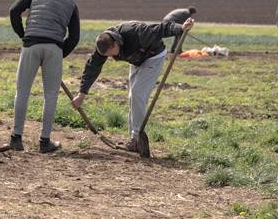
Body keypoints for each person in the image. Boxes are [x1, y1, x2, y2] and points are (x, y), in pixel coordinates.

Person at [72, 15, 195, 152]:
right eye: (108, 56)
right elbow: (92, 68)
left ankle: (137, 138)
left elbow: (162, 28)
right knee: (132, 96)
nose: (111, 57)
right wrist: (81, 95)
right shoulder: (103, 45)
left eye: (112, 54)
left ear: (116, 43)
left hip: (153, 57)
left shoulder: (137, 32)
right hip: (136, 60)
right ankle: (133, 140)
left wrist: (181, 28)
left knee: (137, 94)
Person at [0, 0, 81, 153]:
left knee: (22, 91)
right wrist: (60, 54)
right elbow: (74, 37)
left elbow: (14, 11)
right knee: (50, 96)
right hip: (54, 48)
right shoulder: (71, 2)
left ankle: (16, 139)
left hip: (31, 44)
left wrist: (24, 35)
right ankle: (44, 142)